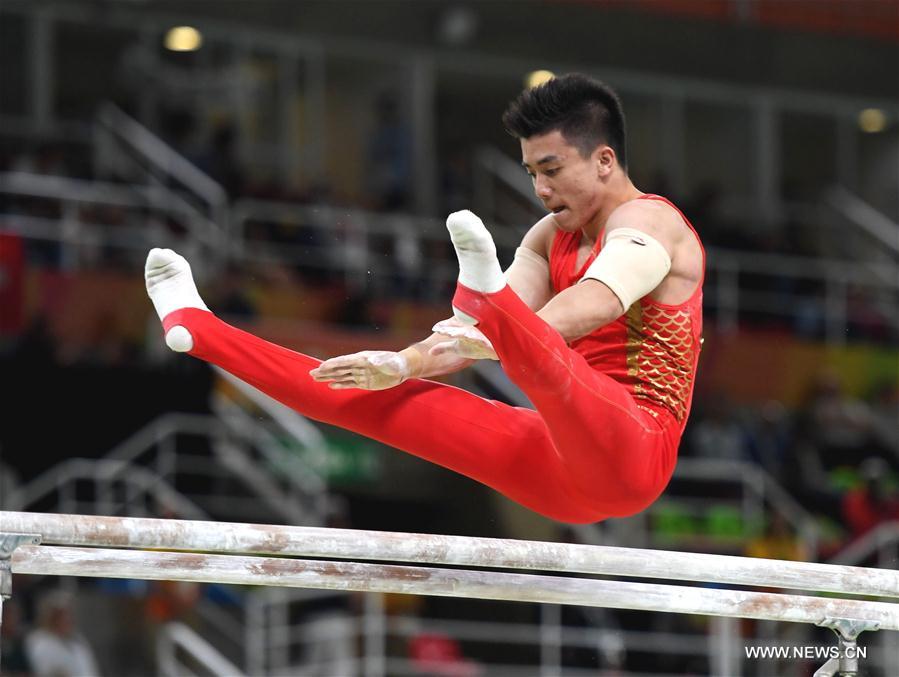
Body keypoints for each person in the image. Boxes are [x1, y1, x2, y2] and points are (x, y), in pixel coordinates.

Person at [144, 73, 704, 524]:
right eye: (532, 172)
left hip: (636, 450)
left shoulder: (651, 222)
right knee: (370, 398)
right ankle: (200, 328)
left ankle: (489, 299)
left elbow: (597, 302)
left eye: (552, 170)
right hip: (558, 469)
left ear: (604, 160)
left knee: (529, 349)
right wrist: (403, 362)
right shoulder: (547, 237)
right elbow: (469, 338)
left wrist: (498, 335)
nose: (541, 190)